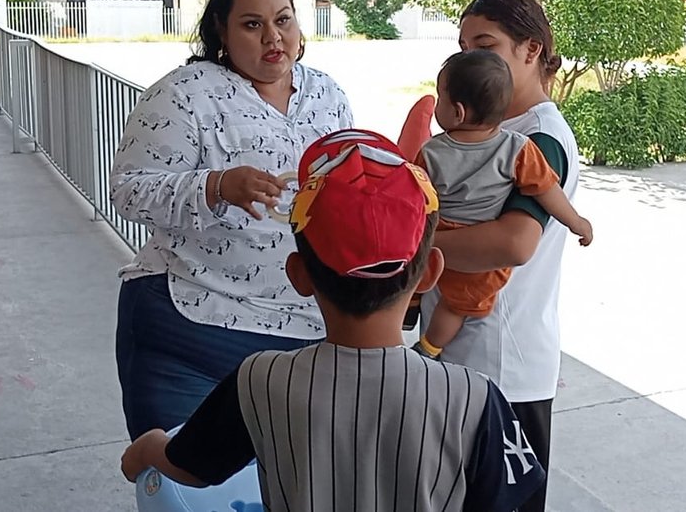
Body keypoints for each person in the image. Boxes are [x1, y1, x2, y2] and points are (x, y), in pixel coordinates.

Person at [120, 130, 546, 512]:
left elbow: (192, 468)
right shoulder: (474, 397)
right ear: (430, 273)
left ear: (299, 275)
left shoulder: (259, 379)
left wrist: (147, 451)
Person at [110, 0, 353, 441]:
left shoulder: (328, 95)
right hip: (191, 329)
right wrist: (216, 186)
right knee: (192, 488)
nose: (273, 38)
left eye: (283, 20)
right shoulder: (184, 93)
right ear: (221, 29)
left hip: (304, 334)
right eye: (252, 24)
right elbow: (129, 189)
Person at [407, 0, 581, 512]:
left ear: (531, 50)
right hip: (464, 360)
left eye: (486, 44)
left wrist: (418, 242)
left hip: (504, 368)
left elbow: (512, 243)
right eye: (463, 47)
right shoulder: (486, 132)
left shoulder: (540, 138)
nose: (471, 60)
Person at [411, 50, 592, 360]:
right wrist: (576, 221)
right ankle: (429, 347)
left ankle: (413, 310)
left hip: (440, 238)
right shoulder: (518, 148)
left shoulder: (431, 152)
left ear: (457, 112)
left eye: (439, 98)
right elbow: (547, 190)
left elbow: (418, 201)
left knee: (421, 277)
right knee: (456, 305)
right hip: (480, 263)